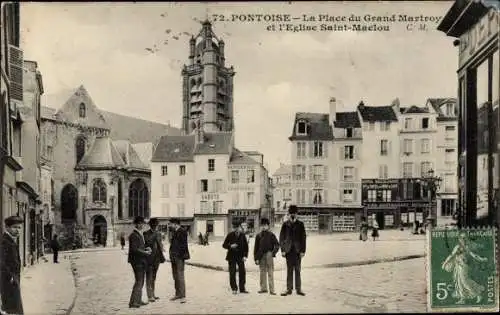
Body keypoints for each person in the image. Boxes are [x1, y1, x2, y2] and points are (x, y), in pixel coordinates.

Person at [279, 205, 306, 296]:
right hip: (288, 251)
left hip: (298, 251)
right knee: (289, 270)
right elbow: (281, 238)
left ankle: (298, 289)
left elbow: (303, 238)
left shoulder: (300, 224)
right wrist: (282, 250)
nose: (292, 215)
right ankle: (288, 289)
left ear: (297, 214)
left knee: (298, 270)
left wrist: (303, 251)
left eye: (294, 214)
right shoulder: (285, 224)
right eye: (291, 214)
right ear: (288, 214)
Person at [0, 216, 25, 315]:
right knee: (13, 310)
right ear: (7, 227)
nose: (18, 230)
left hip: (13, 280)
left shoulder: (10, 240)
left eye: (19, 227)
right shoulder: (4, 242)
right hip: (8, 282)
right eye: (15, 227)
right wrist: (10, 277)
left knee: (14, 309)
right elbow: (1, 262)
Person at [127, 216, 152, 308]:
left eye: (142, 223)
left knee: (140, 281)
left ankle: (137, 300)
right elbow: (134, 249)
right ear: (136, 224)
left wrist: (146, 248)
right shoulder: (134, 235)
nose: (142, 225)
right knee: (139, 281)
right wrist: (145, 252)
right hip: (137, 261)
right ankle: (133, 303)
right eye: (140, 223)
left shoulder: (138, 234)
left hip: (140, 261)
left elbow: (139, 247)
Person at [254, 217, 279, 295]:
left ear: (268, 226)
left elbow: (277, 245)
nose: (263, 226)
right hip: (261, 255)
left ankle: (272, 290)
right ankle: (263, 288)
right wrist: (256, 258)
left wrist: (273, 253)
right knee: (262, 272)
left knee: (270, 272)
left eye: (265, 225)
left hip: (269, 255)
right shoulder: (258, 236)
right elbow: (256, 248)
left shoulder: (271, 235)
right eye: (262, 225)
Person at [222, 221, 249, 295]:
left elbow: (246, 247)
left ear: (240, 228)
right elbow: (224, 245)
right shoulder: (230, 235)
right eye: (234, 227)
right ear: (233, 228)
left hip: (240, 256)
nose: (236, 229)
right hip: (231, 256)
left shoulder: (243, 235)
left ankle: (242, 288)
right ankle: (234, 288)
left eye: (237, 227)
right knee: (232, 273)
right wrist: (230, 246)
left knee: (242, 272)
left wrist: (245, 256)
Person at [144, 218, 166, 303]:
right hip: (149, 258)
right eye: (154, 225)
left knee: (153, 277)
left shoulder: (158, 234)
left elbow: (160, 244)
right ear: (151, 225)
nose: (156, 226)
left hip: (157, 258)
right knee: (149, 277)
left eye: (156, 225)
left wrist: (162, 249)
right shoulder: (146, 233)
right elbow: (148, 242)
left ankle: (153, 294)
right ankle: (150, 296)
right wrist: (155, 234)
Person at [169, 219, 189, 304]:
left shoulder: (182, 231)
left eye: (171, 224)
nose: (170, 225)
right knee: (175, 276)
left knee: (180, 276)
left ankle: (183, 296)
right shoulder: (175, 231)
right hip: (174, 257)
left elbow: (183, 245)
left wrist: (179, 256)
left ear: (175, 224)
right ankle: (177, 294)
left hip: (179, 257)